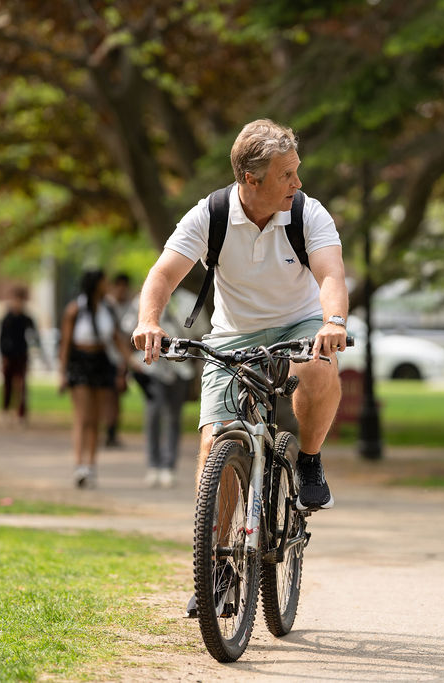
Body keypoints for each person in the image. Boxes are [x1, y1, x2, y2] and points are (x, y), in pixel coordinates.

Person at [132, 118, 348, 516]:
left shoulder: (308, 214)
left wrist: (333, 321)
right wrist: (149, 321)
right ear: (252, 179)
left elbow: (331, 274)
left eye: (296, 171)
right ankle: (219, 563)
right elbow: (162, 274)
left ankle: (310, 461)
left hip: (298, 323)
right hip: (234, 334)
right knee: (215, 443)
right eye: (287, 174)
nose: (297, 183)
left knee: (318, 367)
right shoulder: (209, 215)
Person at [58, 270, 136, 488]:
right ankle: (78, 464)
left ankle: (91, 465)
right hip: (81, 361)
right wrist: (62, 372)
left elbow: (116, 339)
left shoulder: (107, 309)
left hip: (101, 361)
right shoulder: (75, 310)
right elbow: (65, 343)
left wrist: (131, 362)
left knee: (95, 418)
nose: (107, 286)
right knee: (82, 416)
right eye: (104, 282)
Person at [125, 291, 195, 488]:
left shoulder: (189, 300)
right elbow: (127, 330)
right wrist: (131, 360)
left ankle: (168, 467)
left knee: (174, 416)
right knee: (153, 414)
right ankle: (153, 465)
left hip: (180, 368)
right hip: (152, 367)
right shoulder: (144, 298)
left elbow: (199, 333)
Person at [0, 286, 39, 426]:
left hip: (21, 355)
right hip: (9, 355)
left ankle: (21, 413)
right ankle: (5, 409)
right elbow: (1, 338)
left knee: (21, 385)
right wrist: (3, 355)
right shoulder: (7, 318)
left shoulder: (26, 318)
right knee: (8, 384)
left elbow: (34, 335)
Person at [104, 272, 134, 448]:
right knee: (109, 396)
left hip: (122, 357)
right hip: (109, 356)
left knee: (116, 395)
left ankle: (112, 430)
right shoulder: (107, 306)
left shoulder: (130, 306)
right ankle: (109, 430)